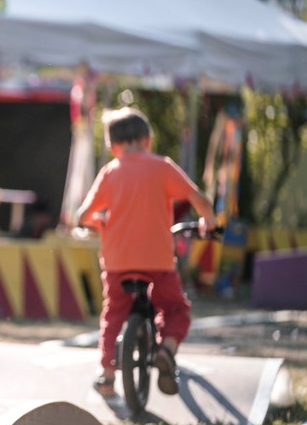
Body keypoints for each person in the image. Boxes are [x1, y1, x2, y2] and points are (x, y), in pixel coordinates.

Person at [75, 107, 217, 398]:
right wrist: (208, 224)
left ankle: (106, 374)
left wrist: (97, 222)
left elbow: (83, 215)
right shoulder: (162, 167)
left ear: (113, 147)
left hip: (117, 261)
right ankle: (166, 349)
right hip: (158, 261)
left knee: (113, 313)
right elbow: (200, 200)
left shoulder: (110, 172)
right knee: (175, 308)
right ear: (148, 140)